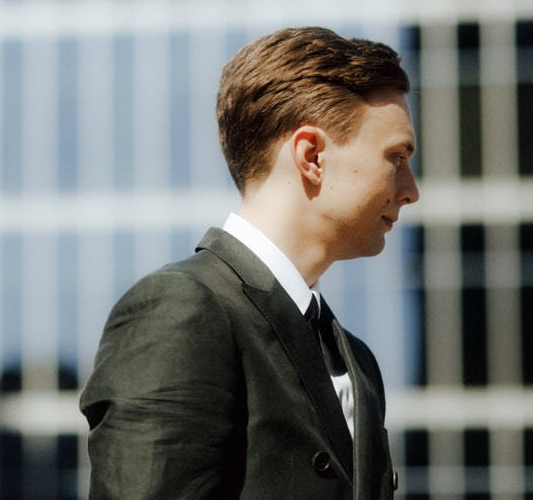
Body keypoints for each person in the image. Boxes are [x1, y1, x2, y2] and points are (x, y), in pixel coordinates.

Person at [79, 26, 419, 499]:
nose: (410, 190)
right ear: (312, 156)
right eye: (396, 157)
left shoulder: (355, 359)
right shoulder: (183, 308)